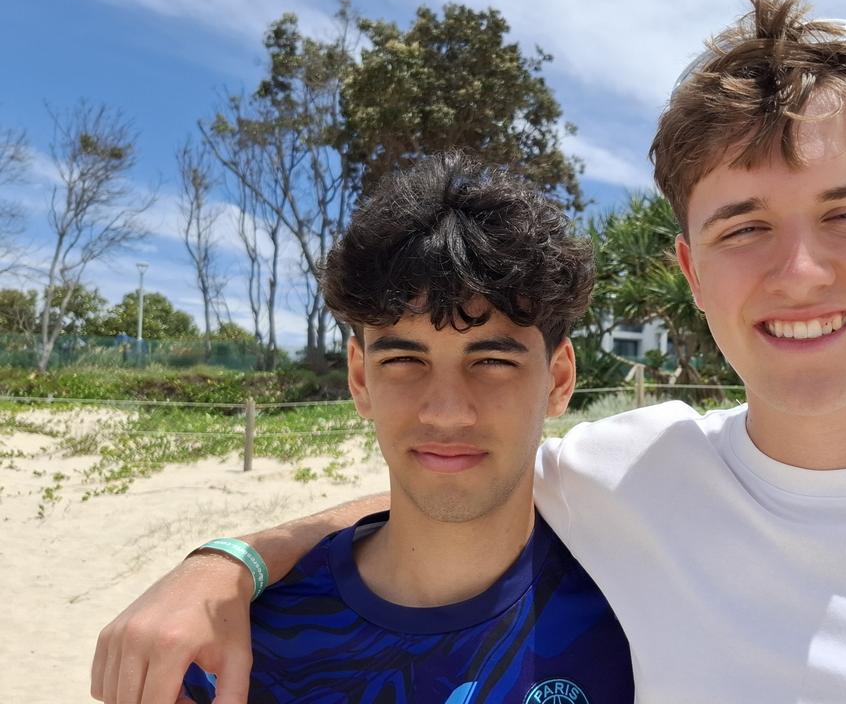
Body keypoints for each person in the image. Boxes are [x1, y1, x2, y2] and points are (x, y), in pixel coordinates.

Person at [92, 0, 846, 703]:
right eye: (743, 227)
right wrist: (223, 564)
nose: (799, 273)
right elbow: (441, 474)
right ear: (688, 268)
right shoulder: (634, 476)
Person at [162, 152, 632, 703]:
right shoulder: (236, 646)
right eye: (404, 361)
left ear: (558, 379)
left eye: (492, 362)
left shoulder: (634, 614)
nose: (446, 412)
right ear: (360, 378)